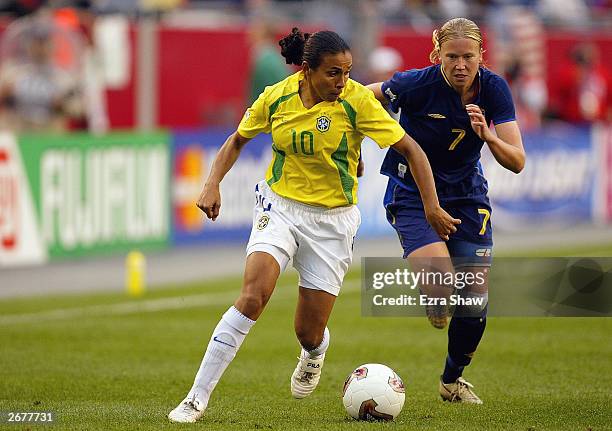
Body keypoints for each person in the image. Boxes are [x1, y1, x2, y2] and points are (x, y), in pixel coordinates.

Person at [168, 27, 459, 423]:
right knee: (254, 295)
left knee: (308, 330)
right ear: (307, 70)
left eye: (347, 72)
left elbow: (410, 148)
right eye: (333, 73)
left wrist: (431, 207)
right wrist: (211, 182)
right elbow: (237, 139)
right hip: (281, 206)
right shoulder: (276, 97)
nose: (343, 82)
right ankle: (195, 398)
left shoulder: (357, 101)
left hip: (333, 222)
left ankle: (314, 352)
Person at [367, 17, 525, 404]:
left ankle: (452, 380)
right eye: (451, 56)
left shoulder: (494, 89)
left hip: (468, 197)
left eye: (468, 57)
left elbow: (517, 161)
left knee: (473, 305)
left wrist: (488, 137)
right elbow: (360, 96)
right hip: (411, 193)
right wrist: (354, 140)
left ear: (481, 56)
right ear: (437, 54)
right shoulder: (414, 84)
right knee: (442, 292)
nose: (460, 65)